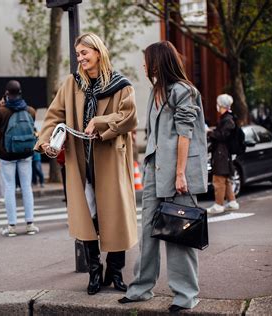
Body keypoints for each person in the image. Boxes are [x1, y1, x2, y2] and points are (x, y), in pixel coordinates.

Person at [35, 33, 138, 295]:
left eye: (84, 53)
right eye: (78, 54)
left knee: (114, 215)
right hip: (81, 162)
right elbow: (54, 115)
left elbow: (128, 117)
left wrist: (101, 122)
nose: (80, 58)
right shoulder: (72, 84)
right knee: (87, 217)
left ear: (98, 52)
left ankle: (114, 272)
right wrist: (46, 141)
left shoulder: (121, 84)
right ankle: (94, 272)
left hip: (110, 159)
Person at [118, 41, 208, 313]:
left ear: (157, 62)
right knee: (148, 232)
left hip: (178, 171)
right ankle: (141, 288)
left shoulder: (185, 91)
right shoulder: (157, 90)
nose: (143, 65)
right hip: (156, 169)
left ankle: (185, 295)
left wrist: (180, 173)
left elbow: (185, 134)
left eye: (147, 60)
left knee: (179, 233)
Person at [0, 80, 39, 237]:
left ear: (6, 94)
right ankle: (30, 224)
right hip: (26, 153)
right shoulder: (30, 111)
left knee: (9, 187)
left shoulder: (1, 112)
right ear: (20, 92)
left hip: (7, 154)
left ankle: (11, 226)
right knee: (26, 187)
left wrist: (0, 107)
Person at [207, 94, 240, 214]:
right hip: (224, 153)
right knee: (225, 179)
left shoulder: (227, 119)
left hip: (222, 153)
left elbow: (222, 135)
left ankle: (218, 204)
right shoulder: (228, 118)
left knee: (218, 179)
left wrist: (209, 132)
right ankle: (232, 202)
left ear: (221, 105)